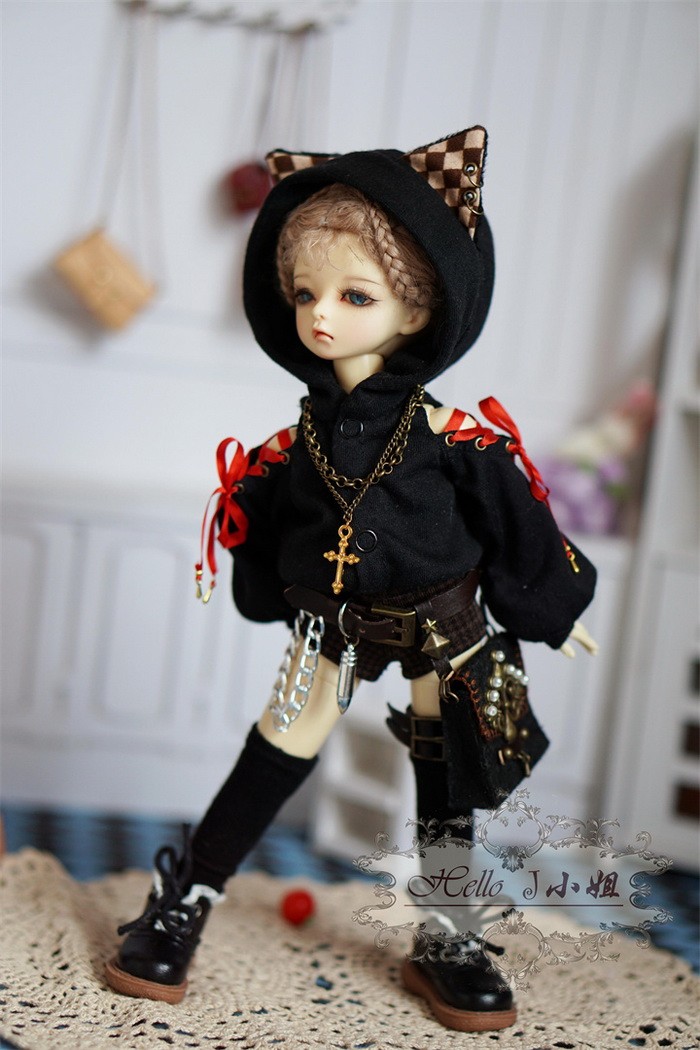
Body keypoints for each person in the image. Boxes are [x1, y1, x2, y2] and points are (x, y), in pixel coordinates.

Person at [105, 126, 597, 1033]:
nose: (321, 316)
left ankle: (446, 933)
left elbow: (517, 520)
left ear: (418, 307)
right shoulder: (295, 442)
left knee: (447, 765)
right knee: (279, 741)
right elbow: (263, 521)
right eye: (305, 293)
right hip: (331, 623)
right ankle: (185, 900)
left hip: (444, 622)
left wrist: (553, 609)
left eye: (354, 294)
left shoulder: (456, 438)